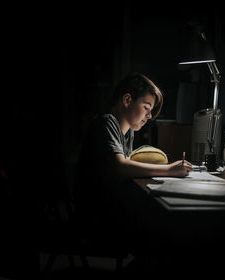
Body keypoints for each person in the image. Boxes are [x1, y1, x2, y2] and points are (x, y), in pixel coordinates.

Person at [73, 72, 193, 253]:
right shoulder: (106, 123)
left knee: (161, 224)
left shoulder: (128, 133)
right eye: (146, 108)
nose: (150, 116)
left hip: (109, 210)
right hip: (95, 218)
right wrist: (168, 169)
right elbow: (121, 167)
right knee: (163, 230)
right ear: (127, 100)